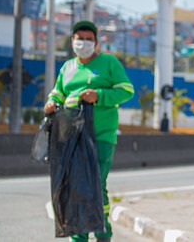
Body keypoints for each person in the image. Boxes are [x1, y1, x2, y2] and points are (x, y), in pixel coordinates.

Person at [44, 20, 135, 242]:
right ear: (72, 41)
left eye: (88, 39)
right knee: (73, 185)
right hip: (71, 136)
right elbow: (58, 93)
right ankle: (78, 236)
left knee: (95, 183)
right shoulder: (67, 68)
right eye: (79, 39)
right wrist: (51, 102)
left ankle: (102, 232)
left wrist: (100, 96)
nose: (83, 43)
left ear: (96, 43)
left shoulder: (109, 63)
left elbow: (127, 90)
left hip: (100, 135)